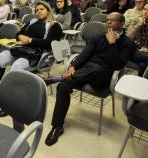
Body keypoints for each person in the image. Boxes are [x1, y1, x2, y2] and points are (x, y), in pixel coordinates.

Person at [44, 12, 135, 146]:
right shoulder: (98, 37)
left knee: (96, 70)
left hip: (104, 75)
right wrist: (73, 66)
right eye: (107, 20)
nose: (108, 22)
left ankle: (57, 78)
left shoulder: (127, 44)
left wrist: (112, 44)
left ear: (122, 24)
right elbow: (84, 55)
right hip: (87, 70)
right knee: (63, 86)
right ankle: (57, 126)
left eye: (112, 20)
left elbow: (118, 65)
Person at [0, 1, 63, 116]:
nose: (38, 11)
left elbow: (50, 44)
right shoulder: (32, 21)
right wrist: (21, 36)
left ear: (48, 10)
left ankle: (10, 102)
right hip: (22, 50)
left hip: (37, 55)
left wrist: (30, 40)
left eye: (41, 9)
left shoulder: (54, 25)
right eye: (37, 10)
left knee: (17, 66)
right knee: (1, 57)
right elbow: (18, 33)